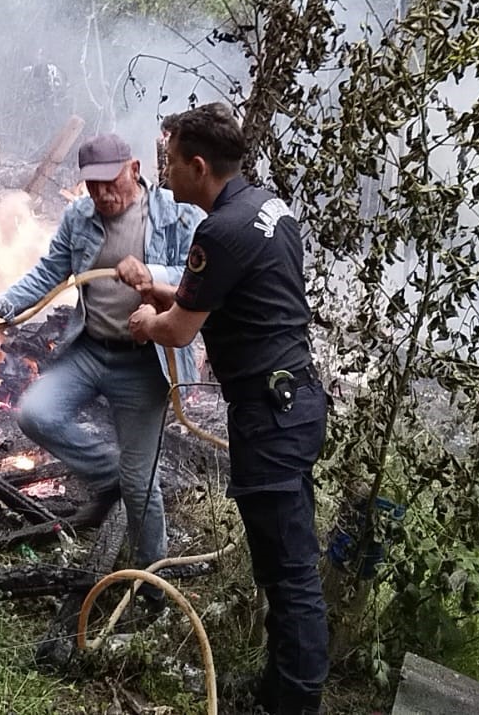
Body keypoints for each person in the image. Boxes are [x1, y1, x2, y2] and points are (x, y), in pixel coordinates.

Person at [125, 103, 328, 715]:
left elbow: (179, 331)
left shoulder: (217, 231)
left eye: (169, 160)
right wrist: (164, 289)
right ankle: (279, 687)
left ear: (197, 164)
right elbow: (228, 292)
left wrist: (145, 323)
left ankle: (291, 703)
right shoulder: (268, 207)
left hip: (268, 414)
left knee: (290, 574)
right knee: (283, 559)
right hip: (297, 400)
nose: (164, 170)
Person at [0, 133, 202, 570]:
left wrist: (152, 272)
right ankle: (106, 479)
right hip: (91, 351)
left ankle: (148, 576)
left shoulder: (176, 215)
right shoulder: (78, 217)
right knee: (36, 414)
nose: (102, 194)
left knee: (140, 483)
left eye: (111, 182)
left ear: (135, 170)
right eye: (92, 185)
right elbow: (47, 273)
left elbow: (199, 279)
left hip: (145, 362)